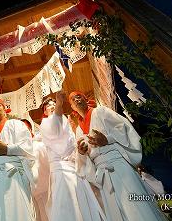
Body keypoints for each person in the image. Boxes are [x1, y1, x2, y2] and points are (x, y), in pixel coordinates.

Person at [70, 91, 166, 221]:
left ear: (85, 99)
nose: (76, 99)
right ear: (72, 107)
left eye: (78, 96)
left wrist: (107, 139)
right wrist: (81, 153)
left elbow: (123, 127)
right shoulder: (78, 131)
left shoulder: (101, 111)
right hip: (102, 175)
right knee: (118, 212)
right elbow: (83, 160)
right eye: (72, 100)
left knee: (136, 205)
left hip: (118, 164)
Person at [40, 91, 104, 221]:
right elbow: (55, 128)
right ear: (45, 112)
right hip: (61, 170)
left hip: (76, 167)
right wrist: (58, 103)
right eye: (48, 106)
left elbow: (71, 144)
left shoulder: (65, 121)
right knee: (69, 205)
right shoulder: (46, 123)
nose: (52, 106)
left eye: (53, 103)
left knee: (84, 202)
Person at [21, 119, 49, 221]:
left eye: (25, 129)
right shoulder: (20, 151)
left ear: (31, 132)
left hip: (45, 190)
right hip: (31, 194)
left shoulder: (39, 145)